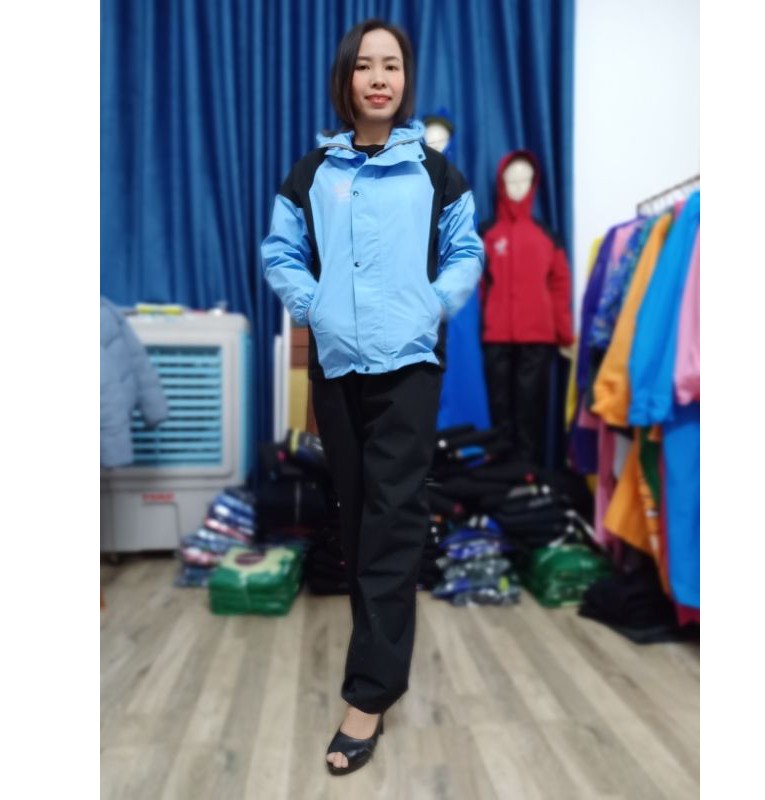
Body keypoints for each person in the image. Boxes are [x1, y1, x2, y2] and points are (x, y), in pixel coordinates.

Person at [261, 18, 483, 776]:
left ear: (405, 78)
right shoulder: (312, 172)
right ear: (346, 79)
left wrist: (432, 304)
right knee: (357, 518)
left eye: (392, 65)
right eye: (365, 65)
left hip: (410, 366)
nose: (379, 77)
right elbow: (281, 252)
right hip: (337, 365)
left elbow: (465, 250)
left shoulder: (435, 171)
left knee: (392, 521)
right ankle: (377, 658)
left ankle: (369, 695)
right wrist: (314, 306)